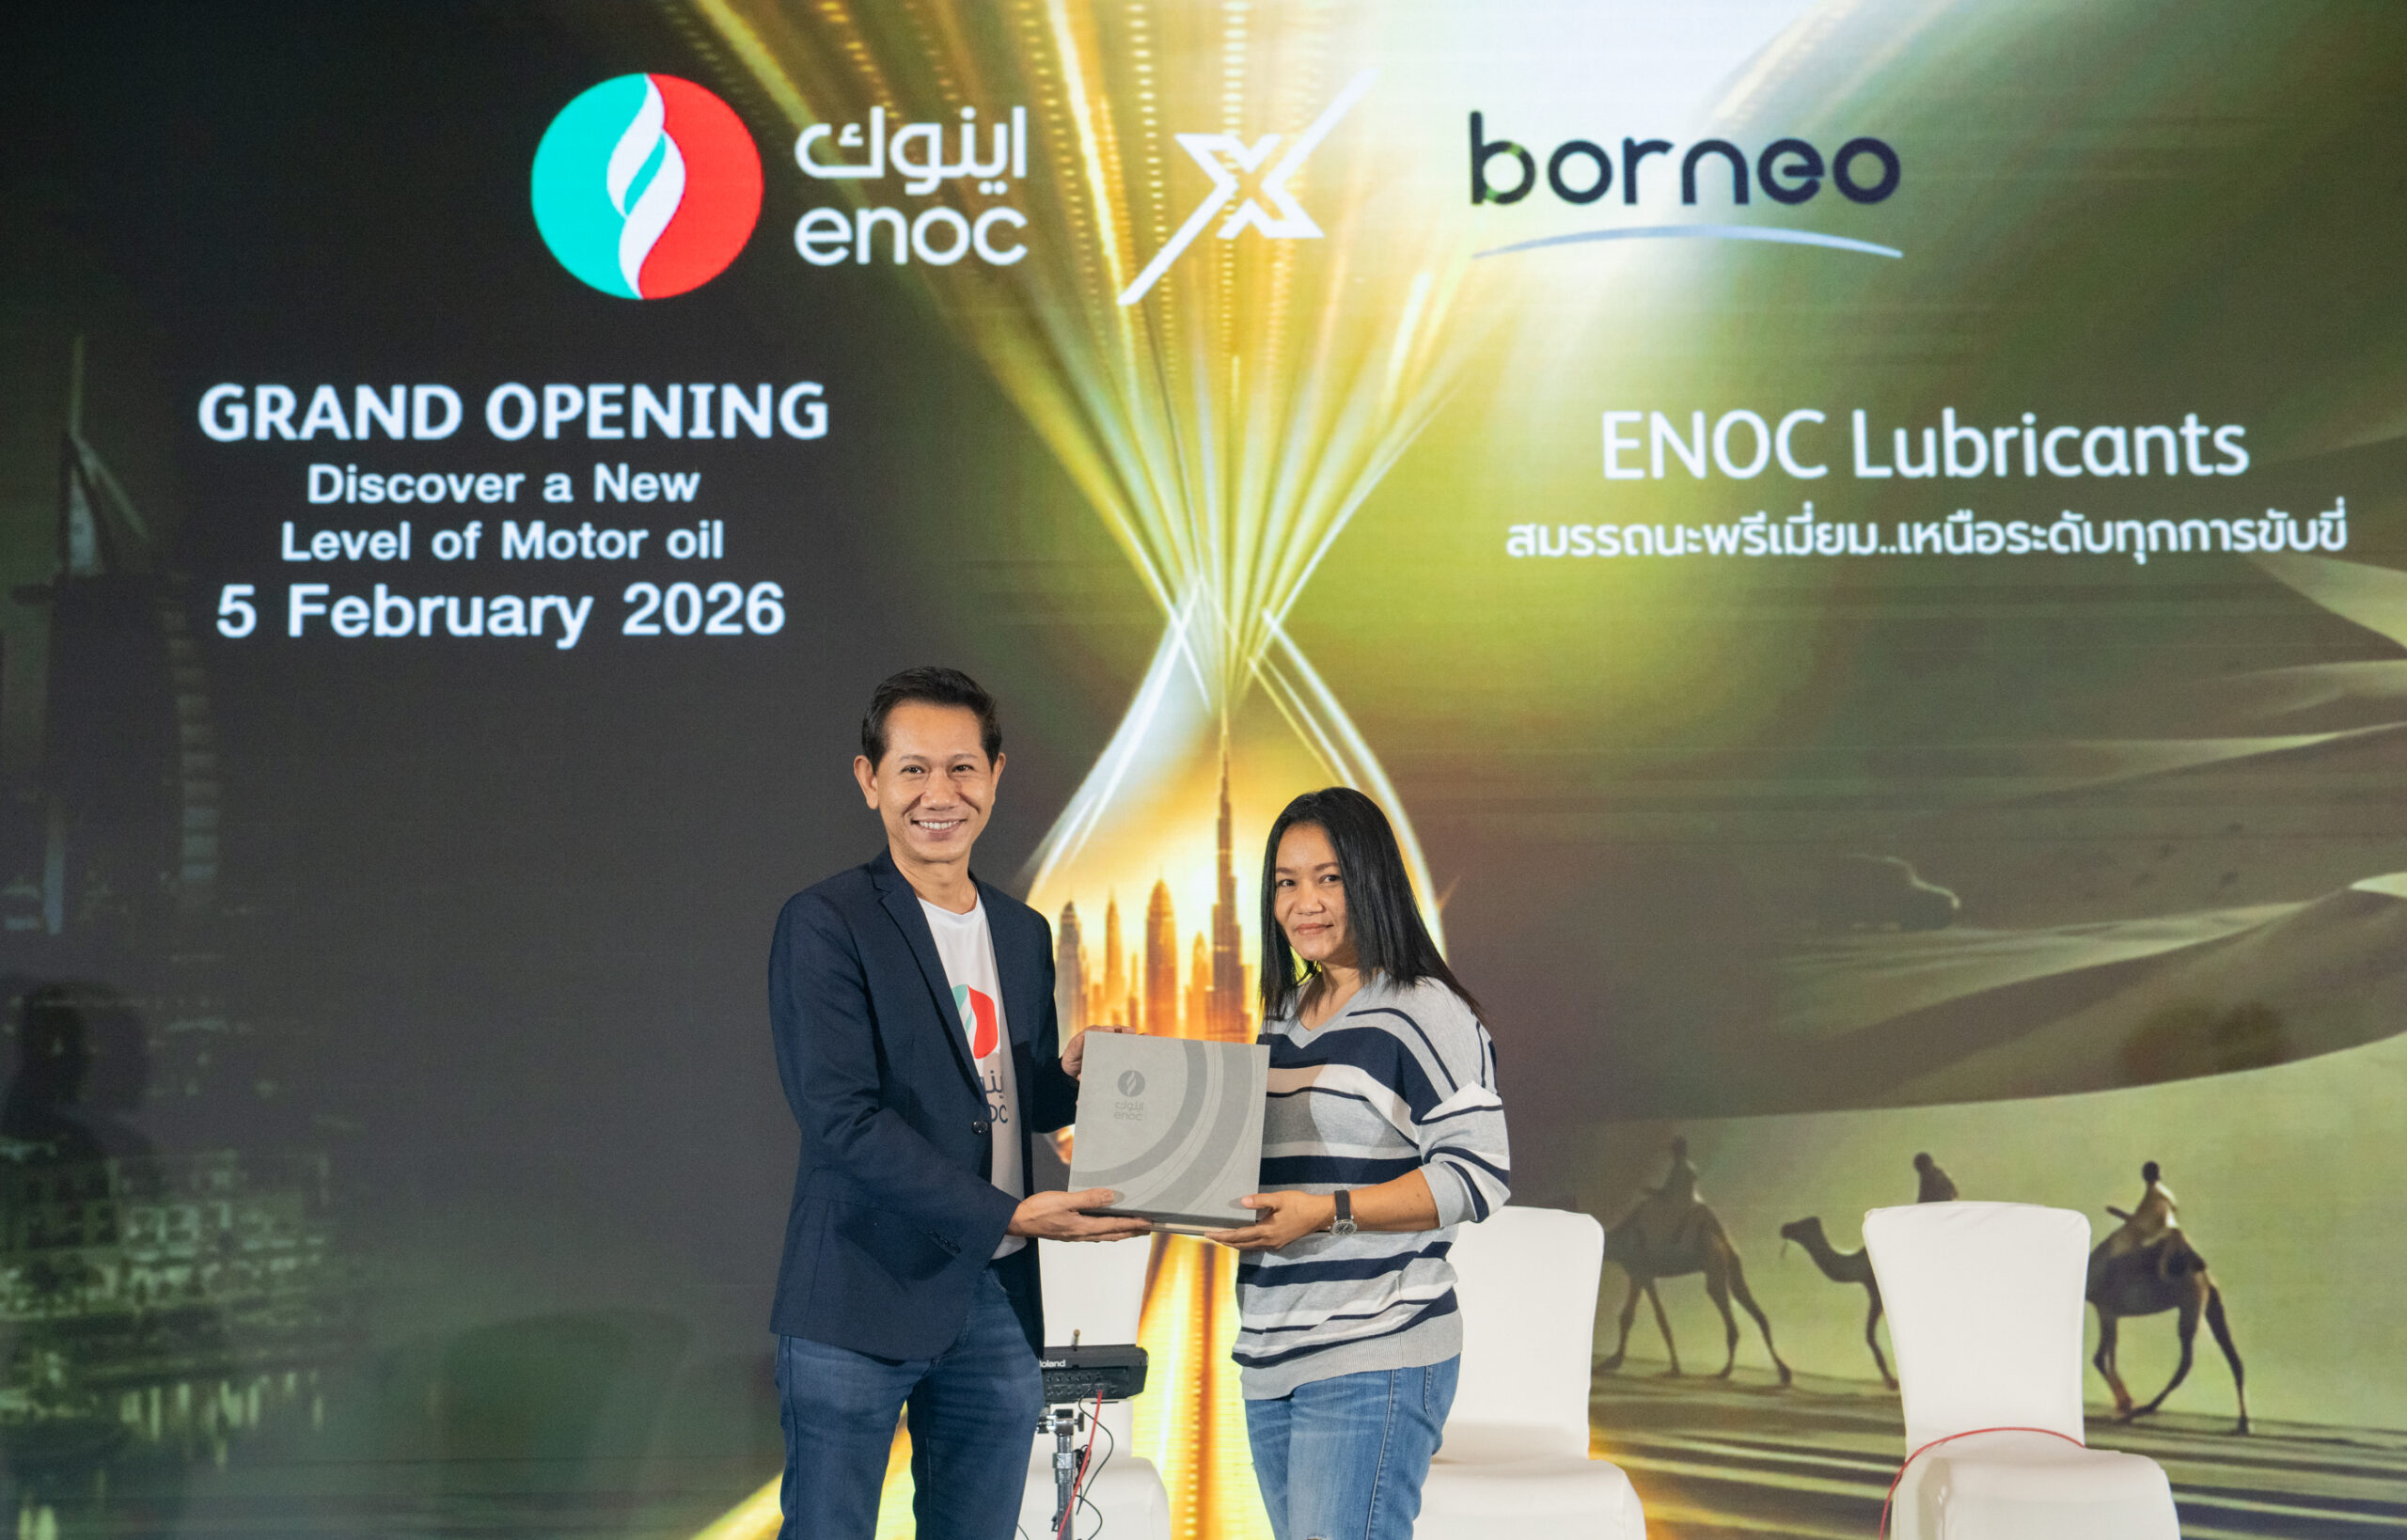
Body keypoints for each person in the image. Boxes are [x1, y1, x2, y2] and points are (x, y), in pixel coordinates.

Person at [765, 667, 1148, 1540]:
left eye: (962, 768)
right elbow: (841, 1119)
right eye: (913, 769)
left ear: (996, 775)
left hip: (998, 1295)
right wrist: (1006, 1213)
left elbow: (1006, 1095)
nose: (940, 794)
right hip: (860, 1291)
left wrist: (1074, 1079)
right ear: (870, 781)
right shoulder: (827, 921)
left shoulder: (1021, 930)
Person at [1206, 787, 1509, 1540]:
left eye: (1329, 878)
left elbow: (1478, 1174)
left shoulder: (1423, 1008)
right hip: (1272, 1352)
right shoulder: (1283, 1016)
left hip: (1374, 1349)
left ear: (1371, 880)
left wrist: (1328, 1212)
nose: (1304, 902)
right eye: (1286, 881)